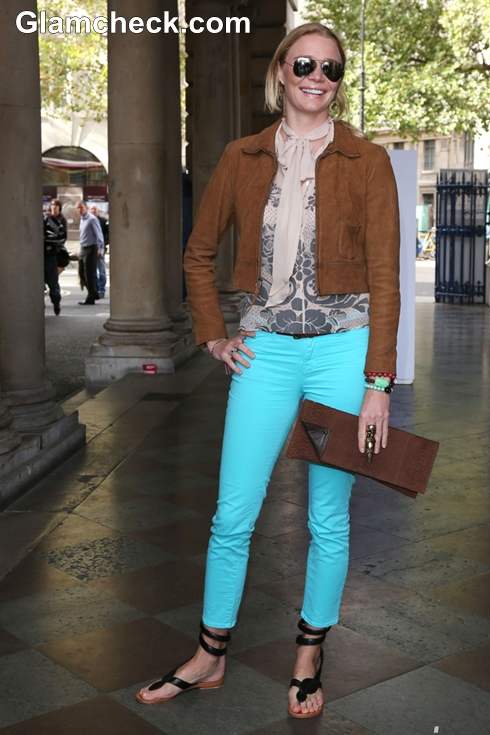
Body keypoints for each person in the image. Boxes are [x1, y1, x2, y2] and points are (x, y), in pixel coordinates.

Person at [136, 22, 400, 720]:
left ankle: (309, 654)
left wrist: (378, 385)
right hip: (266, 352)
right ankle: (209, 654)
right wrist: (215, 335)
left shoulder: (366, 160)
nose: (319, 76)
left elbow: (385, 278)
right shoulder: (243, 156)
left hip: (343, 350)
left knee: (328, 516)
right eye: (306, 62)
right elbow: (199, 254)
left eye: (333, 68)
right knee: (233, 513)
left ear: (339, 80)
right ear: (282, 70)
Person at [75, 200, 103, 305]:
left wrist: (100, 249)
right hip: (83, 248)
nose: (79, 210)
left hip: (91, 249)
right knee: (81, 273)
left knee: (89, 274)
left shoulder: (92, 219)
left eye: (81, 207)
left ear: (86, 207)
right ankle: (94, 292)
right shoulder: (82, 219)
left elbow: (99, 234)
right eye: (78, 208)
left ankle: (90, 298)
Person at [43, 199, 67, 315]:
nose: (53, 210)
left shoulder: (60, 221)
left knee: (53, 283)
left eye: (56, 208)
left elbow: (62, 239)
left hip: (52, 256)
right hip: (41, 256)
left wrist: (47, 241)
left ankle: (56, 303)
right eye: (52, 208)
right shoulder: (44, 219)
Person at [89, 204, 109, 298]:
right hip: (90, 249)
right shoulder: (87, 221)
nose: (93, 211)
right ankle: (95, 289)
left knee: (101, 271)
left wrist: (103, 244)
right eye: (91, 209)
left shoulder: (103, 221)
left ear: (97, 211)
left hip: (100, 249)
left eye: (94, 209)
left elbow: (108, 234)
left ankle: (101, 289)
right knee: (92, 271)